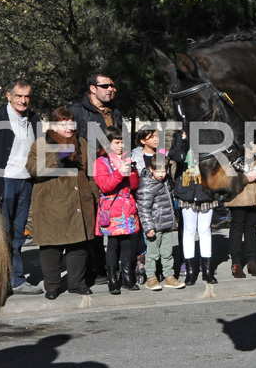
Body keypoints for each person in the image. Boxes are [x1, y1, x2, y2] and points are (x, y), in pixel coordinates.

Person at [0, 79, 43, 294]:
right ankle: (1, 281)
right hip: (3, 183)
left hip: (26, 182)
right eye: (18, 96)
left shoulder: (35, 121)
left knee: (18, 233)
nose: (23, 101)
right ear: (8, 96)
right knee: (2, 234)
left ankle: (15, 279)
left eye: (27, 97)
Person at [25, 108, 97, 299]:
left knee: (78, 246)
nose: (68, 127)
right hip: (51, 205)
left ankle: (77, 283)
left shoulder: (81, 143)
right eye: (63, 123)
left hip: (79, 202)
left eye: (70, 122)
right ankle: (52, 286)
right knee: (51, 248)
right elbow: (32, 169)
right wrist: (57, 157)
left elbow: (91, 173)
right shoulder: (41, 144)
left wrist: (94, 197)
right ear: (53, 126)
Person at [70, 72, 124, 284]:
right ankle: (96, 269)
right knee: (93, 224)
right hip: (88, 176)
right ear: (92, 88)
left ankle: (115, 267)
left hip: (115, 174)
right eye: (105, 86)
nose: (111, 89)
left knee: (117, 221)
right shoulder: (76, 111)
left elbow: (122, 141)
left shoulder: (115, 112)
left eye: (113, 85)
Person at [94, 126, 142, 294]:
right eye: (117, 142)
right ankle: (113, 279)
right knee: (113, 245)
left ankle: (128, 277)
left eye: (123, 142)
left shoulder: (127, 159)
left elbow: (134, 186)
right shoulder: (101, 162)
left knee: (128, 244)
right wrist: (120, 173)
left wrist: (133, 173)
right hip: (112, 209)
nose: (121, 146)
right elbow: (105, 186)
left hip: (127, 208)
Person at [169, 129, 217, 285]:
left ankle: (208, 270)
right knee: (189, 230)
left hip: (205, 188)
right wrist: (183, 139)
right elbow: (177, 156)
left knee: (205, 230)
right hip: (187, 188)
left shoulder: (209, 134)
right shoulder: (178, 136)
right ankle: (190, 270)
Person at [136, 152, 185, 291]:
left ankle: (169, 276)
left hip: (167, 223)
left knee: (167, 252)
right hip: (154, 226)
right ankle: (151, 277)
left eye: (164, 170)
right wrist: (148, 227)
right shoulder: (147, 185)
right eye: (158, 171)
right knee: (152, 254)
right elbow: (144, 209)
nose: (161, 174)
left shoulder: (166, 182)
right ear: (151, 169)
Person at [226, 147, 256, 278]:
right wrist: (243, 173)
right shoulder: (232, 141)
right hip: (238, 187)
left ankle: (252, 261)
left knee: (251, 226)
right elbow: (225, 160)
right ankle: (236, 263)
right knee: (237, 225)